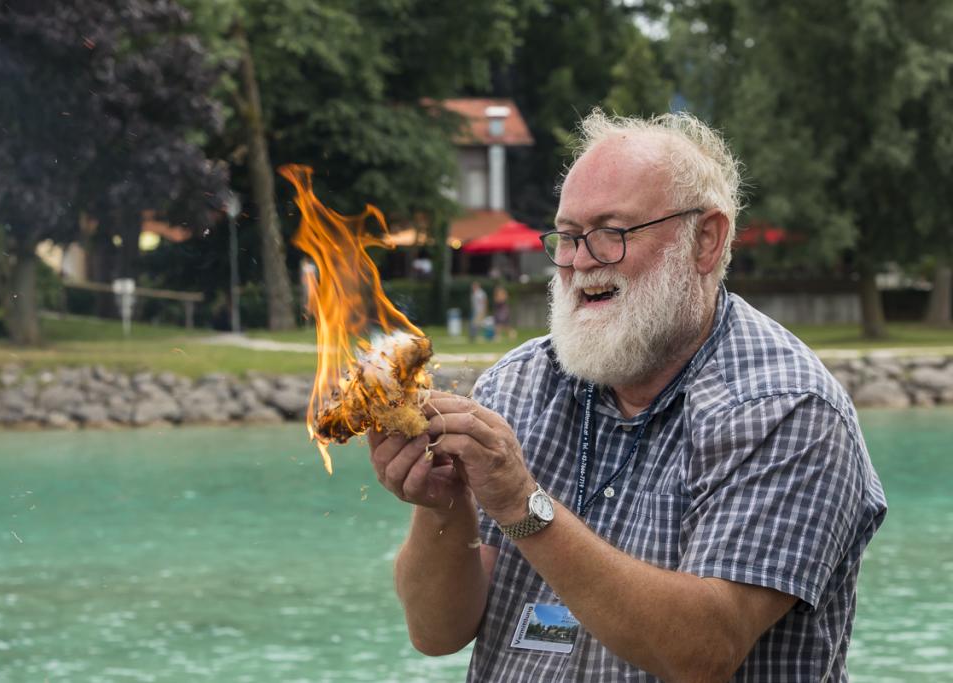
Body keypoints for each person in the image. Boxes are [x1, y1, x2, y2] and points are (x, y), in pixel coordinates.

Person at [368, 109, 887, 682]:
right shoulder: (518, 383)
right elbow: (436, 633)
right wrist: (445, 506)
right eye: (567, 237)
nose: (581, 260)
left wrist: (521, 503)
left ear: (706, 240)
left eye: (612, 232)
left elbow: (701, 651)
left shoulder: (787, 409)